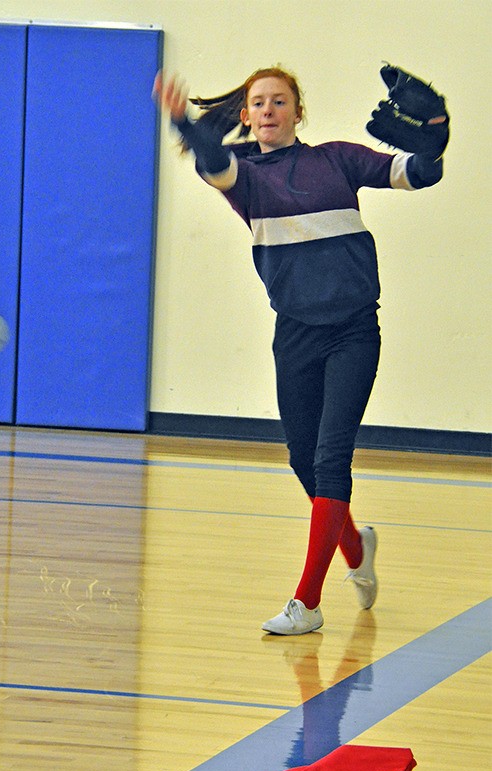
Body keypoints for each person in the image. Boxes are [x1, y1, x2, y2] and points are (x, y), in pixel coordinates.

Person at [153, 66, 446, 635]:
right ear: (246, 116)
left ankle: (307, 603)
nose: (268, 110)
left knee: (332, 459)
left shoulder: (336, 159)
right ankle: (356, 549)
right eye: (258, 103)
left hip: (354, 330)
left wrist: (435, 131)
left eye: (279, 101)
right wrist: (183, 120)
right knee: (303, 461)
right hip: (295, 334)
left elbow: (417, 175)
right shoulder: (245, 179)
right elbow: (213, 160)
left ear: (297, 111)